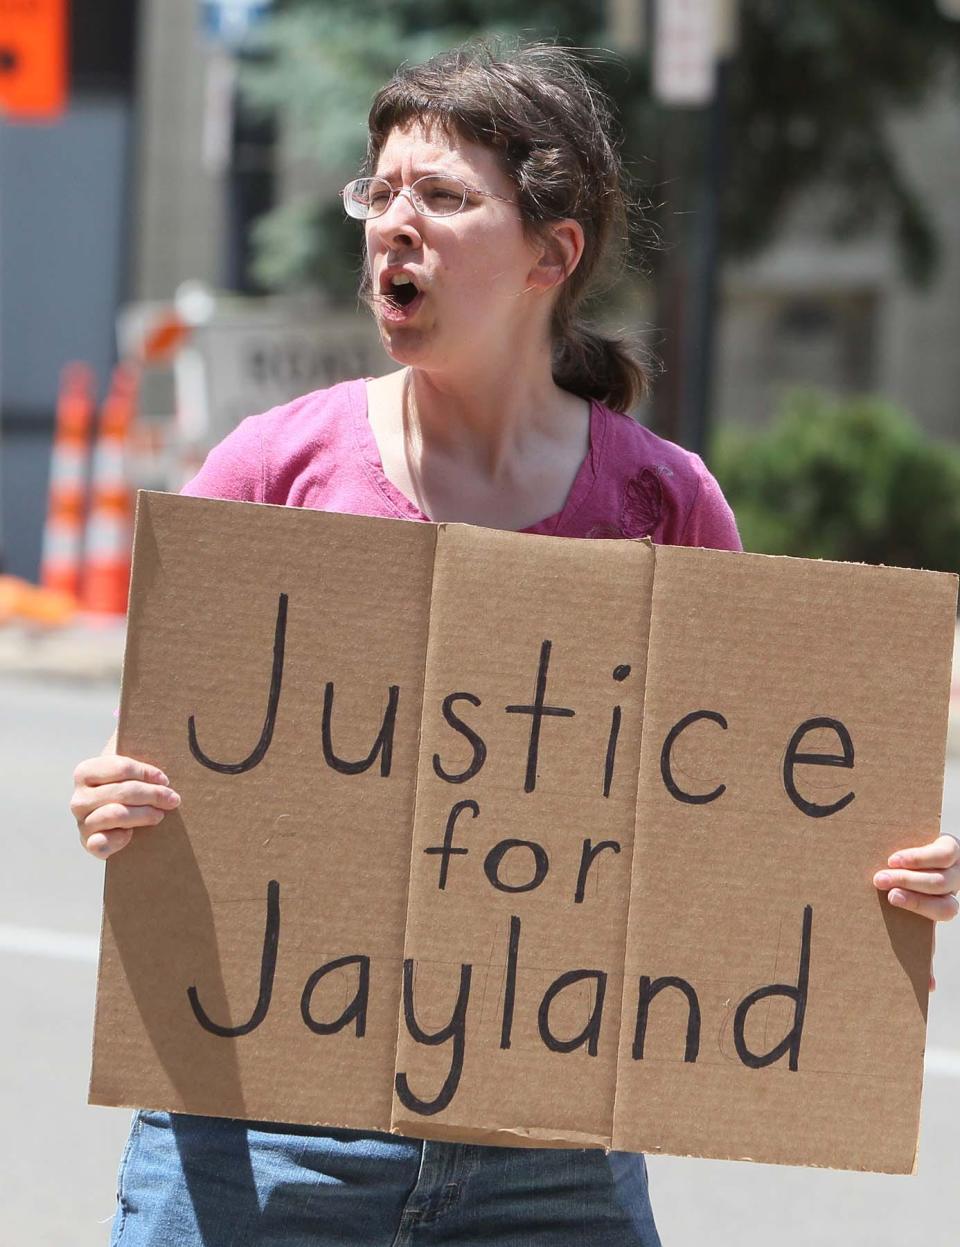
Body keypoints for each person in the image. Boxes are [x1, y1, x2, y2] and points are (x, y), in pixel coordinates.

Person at [70, 40, 959, 1247]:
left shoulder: (664, 505)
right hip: (256, 1138)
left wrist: (870, 887)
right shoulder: (268, 471)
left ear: (553, 252)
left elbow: (738, 820)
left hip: (549, 1160)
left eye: (441, 196)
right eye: (378, 192)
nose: (394, 223)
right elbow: (175, 757)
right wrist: (116, 793)